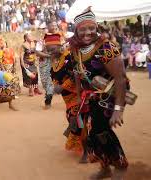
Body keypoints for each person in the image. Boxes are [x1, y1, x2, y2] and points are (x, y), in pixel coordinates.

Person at [69, 9, 129, 179]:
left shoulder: (106, 47)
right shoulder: (75, 49)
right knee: (90, 133)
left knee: (101, 130)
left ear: (97, 28)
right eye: (83, 29)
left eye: (91, 28)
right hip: (90, 97)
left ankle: (120, 165)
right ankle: (105, 167)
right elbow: (77, 73)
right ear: (76, 31)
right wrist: (79, 96)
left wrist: (118, 109)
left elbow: (120, 78)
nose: (88, 32)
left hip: (110, 94)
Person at [44, 33, 88, 163]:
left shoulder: (69, 57)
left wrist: (62, 87)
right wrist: (56, 86)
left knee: (78, 121)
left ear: (59, 46)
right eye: (48, 50)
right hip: (67, 99)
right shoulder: (55, 61)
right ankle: (87, 148)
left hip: (78, 95)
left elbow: (76, 75)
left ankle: (86, 151)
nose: (51, 52)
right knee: (73, 120)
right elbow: (55, 77)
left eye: (53, 49)